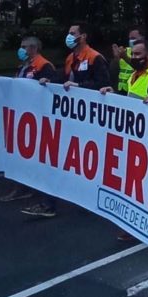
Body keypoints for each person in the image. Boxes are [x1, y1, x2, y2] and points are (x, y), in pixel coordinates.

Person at [25, 24, 110, 218]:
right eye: (69, 33)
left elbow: (104, 85)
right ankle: (49, 203)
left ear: (84, 36)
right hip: (71, 118)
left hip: (90, 120)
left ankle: (87, 198)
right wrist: (50, 81)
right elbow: (63, 79)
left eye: (73, 33)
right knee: (58, 157)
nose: (69, 36)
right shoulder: (70, 58)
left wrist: (79, 86)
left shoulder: (95, 58)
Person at [99, 38, 148, 241]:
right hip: (135, 139)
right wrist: (114, 93)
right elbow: (130, 98)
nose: (133, 58)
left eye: (137, 55)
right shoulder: (134, 76)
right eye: (133, 54)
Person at [0, 37, 55, 203]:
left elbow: (50, 89)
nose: (21, 50)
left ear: (33, 48)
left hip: (36, 118)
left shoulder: (44, 66)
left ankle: (36, 189)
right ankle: (24, 186)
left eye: (24, 47)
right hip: (22, 117)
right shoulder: (24, 67)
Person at [112, 27, 143, 94]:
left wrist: (124, 57)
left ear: (142, 38)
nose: (131, 41)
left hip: (136, 91)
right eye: (130, 38)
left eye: (133, 38)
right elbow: (114, 71)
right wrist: (116, 57)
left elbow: (141, 68)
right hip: (121, 90)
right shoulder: (125, 51)